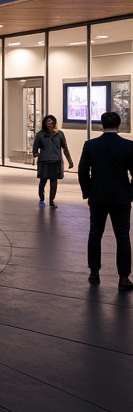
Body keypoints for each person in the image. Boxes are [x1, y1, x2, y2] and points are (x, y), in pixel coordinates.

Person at [78, 111, 133, 289]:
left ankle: (94, 273)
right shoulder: (128, 146)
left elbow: (82, 172)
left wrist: (88, 191)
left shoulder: (91, 145)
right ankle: (123, 278)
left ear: (102, 125)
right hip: (121, 197)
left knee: (95, 234)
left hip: (98, 196)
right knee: (123, 236)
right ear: (119, 125)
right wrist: (130, 193)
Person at [33, 114, 73, 207]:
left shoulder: (59, 134)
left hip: (55, 161)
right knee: (43, 181)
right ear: (44, 123)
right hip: (44, 161)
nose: (50, 124)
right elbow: (35, 148)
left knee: (54, 182)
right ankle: (42, 198)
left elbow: (65, 148)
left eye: (51, 122)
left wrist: (70, 161)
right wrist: (37, 155)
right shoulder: (40, 134)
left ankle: (51, 200)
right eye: (48, 122)